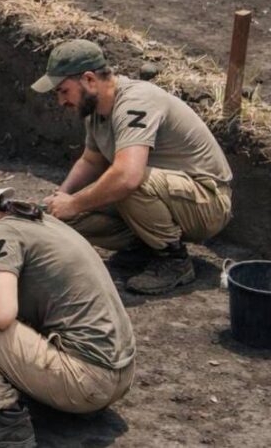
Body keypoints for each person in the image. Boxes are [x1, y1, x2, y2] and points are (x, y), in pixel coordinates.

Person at [0, 170, 135, 448]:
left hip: (85, 382)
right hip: (117, 375)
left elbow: (1, 313)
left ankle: (6, 423)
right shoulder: (32, 220)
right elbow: (2, 279)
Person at [32, 39, 232, 295]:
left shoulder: (136, 101)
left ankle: (173, 261)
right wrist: (61, 200)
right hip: (168, 198)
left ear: (89, 80)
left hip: (208, 202)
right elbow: (91, 161)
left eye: (63, 91)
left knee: (125, 180)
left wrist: (74, 203)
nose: (61, 101)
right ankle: (146, 248)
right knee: (69, 219)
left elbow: (128, 177)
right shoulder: (95, 109)